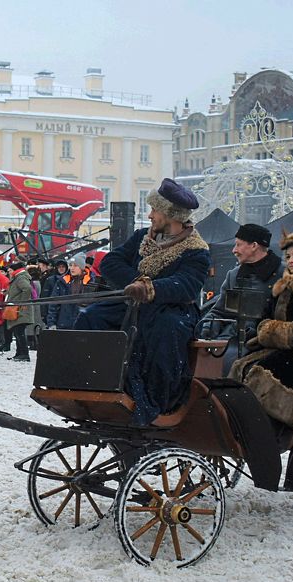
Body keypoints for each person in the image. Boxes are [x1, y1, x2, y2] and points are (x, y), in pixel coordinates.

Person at [74, 178, 210, 425]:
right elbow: (110, 263)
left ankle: (156, 401)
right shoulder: (141, 238)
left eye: (155, 210)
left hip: (174, 310)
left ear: (170, 214)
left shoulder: (196, 251)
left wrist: (150, 288)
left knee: (163, 330)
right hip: (135, 304)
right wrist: (137, 282)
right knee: (91, 316)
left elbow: (186, 284)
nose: (150, 216)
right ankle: (92, 383)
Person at [229, 231, 293, 429]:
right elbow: (264, 320)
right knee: (240, 365)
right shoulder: (283, 287)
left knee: (261, 372)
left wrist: (273, 331)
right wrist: (270, 331)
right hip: (278, 349)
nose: (290, 261)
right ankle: (244, 424)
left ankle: (262, 427)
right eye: (288, 257)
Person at [198, 223, 283, 341]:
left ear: (254, 245)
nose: (234, 250)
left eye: (238, 245)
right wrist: (208, 328)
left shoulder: (284, 275)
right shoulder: (233, 275)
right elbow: (220, 312)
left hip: (267, 346)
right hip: (230, 344)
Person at [47, 254, 92, 330]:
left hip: (84, 325)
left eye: (75, 265)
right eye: (70, 265)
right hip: (63, 325)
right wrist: (51, 323)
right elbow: (54, 303)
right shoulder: (62, 281)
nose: (72, 268)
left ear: (81, 267)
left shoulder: (91, 281)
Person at [5, 260, 37, 361]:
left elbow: (27, 289)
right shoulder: (19, 277)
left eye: (10, 270)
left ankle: (24, 354)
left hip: (21, 310)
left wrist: (21, 302)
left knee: (19, 332)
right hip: (19, 309)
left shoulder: (20, 277)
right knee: (18, 331)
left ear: (15, 270)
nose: (8, 272)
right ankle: (19, 354)